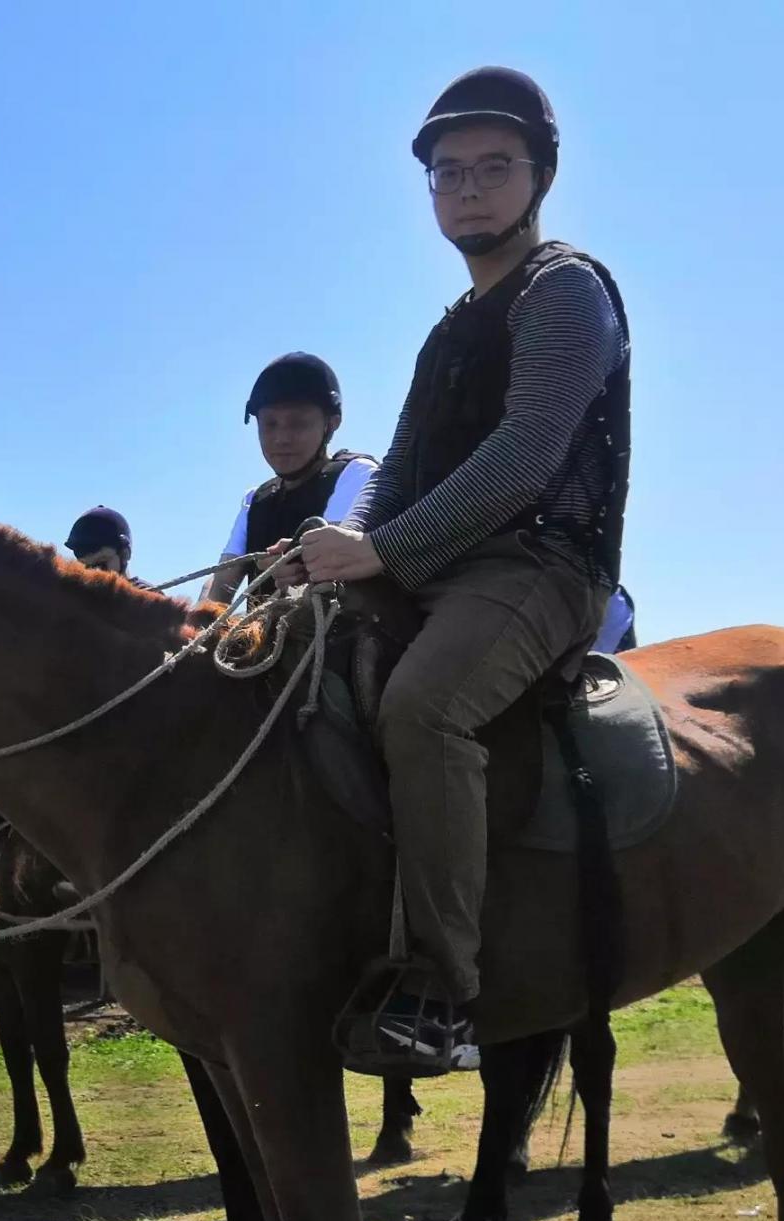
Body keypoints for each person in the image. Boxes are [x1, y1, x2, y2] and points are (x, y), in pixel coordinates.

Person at [275, 67, 631, 1076]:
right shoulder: (447, 329)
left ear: (542, 175)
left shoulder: (566, 289)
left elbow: (524, 456)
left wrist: (381, 552)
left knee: (424, 707)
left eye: (492, 167)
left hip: (542, 566)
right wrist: (323, 554)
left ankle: (443, 985)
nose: (467, 188)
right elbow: (399, 473)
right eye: (446, 173)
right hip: (438, 567)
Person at [207, 353, 378, 605]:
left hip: (341, 635)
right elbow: (221, 582)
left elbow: (331, 555)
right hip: (261, 641)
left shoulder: (357, 474)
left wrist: (300, 565)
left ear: (331, 424)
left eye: (298, 423)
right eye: (270, 424)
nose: (281, 438)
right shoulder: (255, 500)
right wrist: (196, 620)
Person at [65, 507, 133, 575]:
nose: (93, 574)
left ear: (124, 554)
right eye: (85, 568)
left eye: (102, 565)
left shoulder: (139, 586)